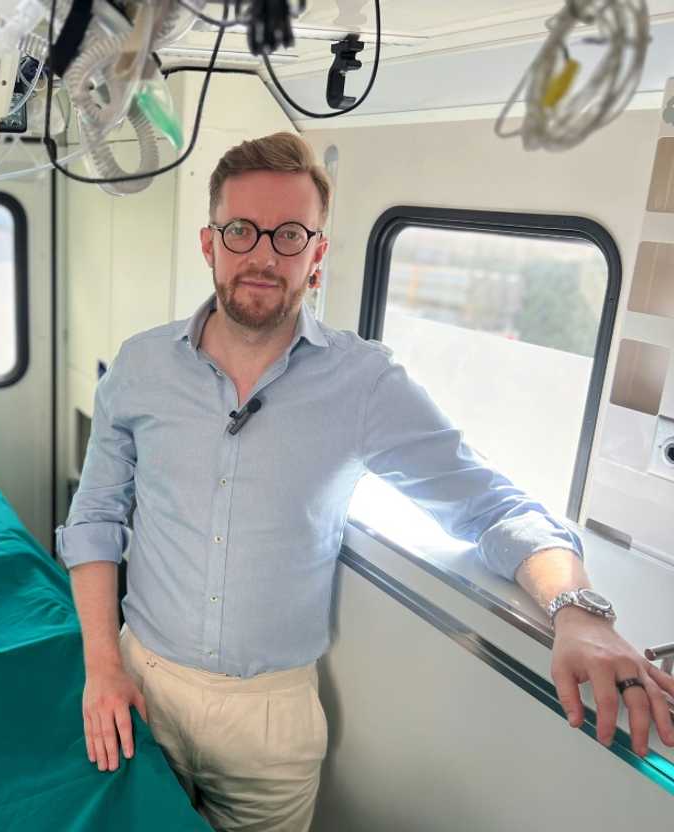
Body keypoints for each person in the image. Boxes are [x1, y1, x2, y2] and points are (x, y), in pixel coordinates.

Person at [55, 131, 674, 831]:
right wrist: (102, 666)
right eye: (240, 231)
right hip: (141, 679)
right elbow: (95, 519)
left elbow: (490, 506)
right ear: (210, 244)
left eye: (289, 235)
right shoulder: (141, 368)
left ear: (317, 254)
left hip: (271, 720)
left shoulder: (366, 383)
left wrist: (580, 610)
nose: (262, 255)